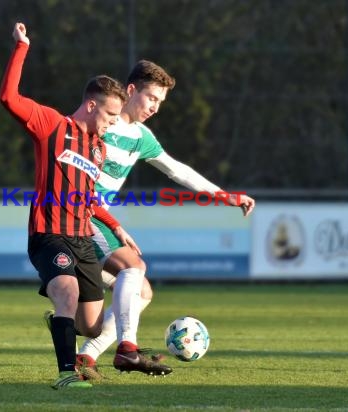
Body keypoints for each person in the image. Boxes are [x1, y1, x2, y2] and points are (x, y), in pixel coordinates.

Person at [76, 60, 256, 379]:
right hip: (81, 215)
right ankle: (127, 350)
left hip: (95, 220)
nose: (156, 108)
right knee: (133, 267)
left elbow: (177, 170)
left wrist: (224, 195)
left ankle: (86, 355)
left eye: (160, 102)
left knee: (141, 292)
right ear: (131, 91)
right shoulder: (101, 121)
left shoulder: (142, 137)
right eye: (152, 98)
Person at [0, 22, 139, 389]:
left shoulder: (98, 147)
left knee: (90, 324)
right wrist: (21, 47)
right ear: (91, 105)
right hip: (48, 235)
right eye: (109, 116)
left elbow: (89, 198)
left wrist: (115, 225)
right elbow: (9, 98)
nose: (112, 124)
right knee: (67, 291)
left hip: (83, 239)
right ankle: (67, 374)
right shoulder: (51, 124)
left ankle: (60, 324)